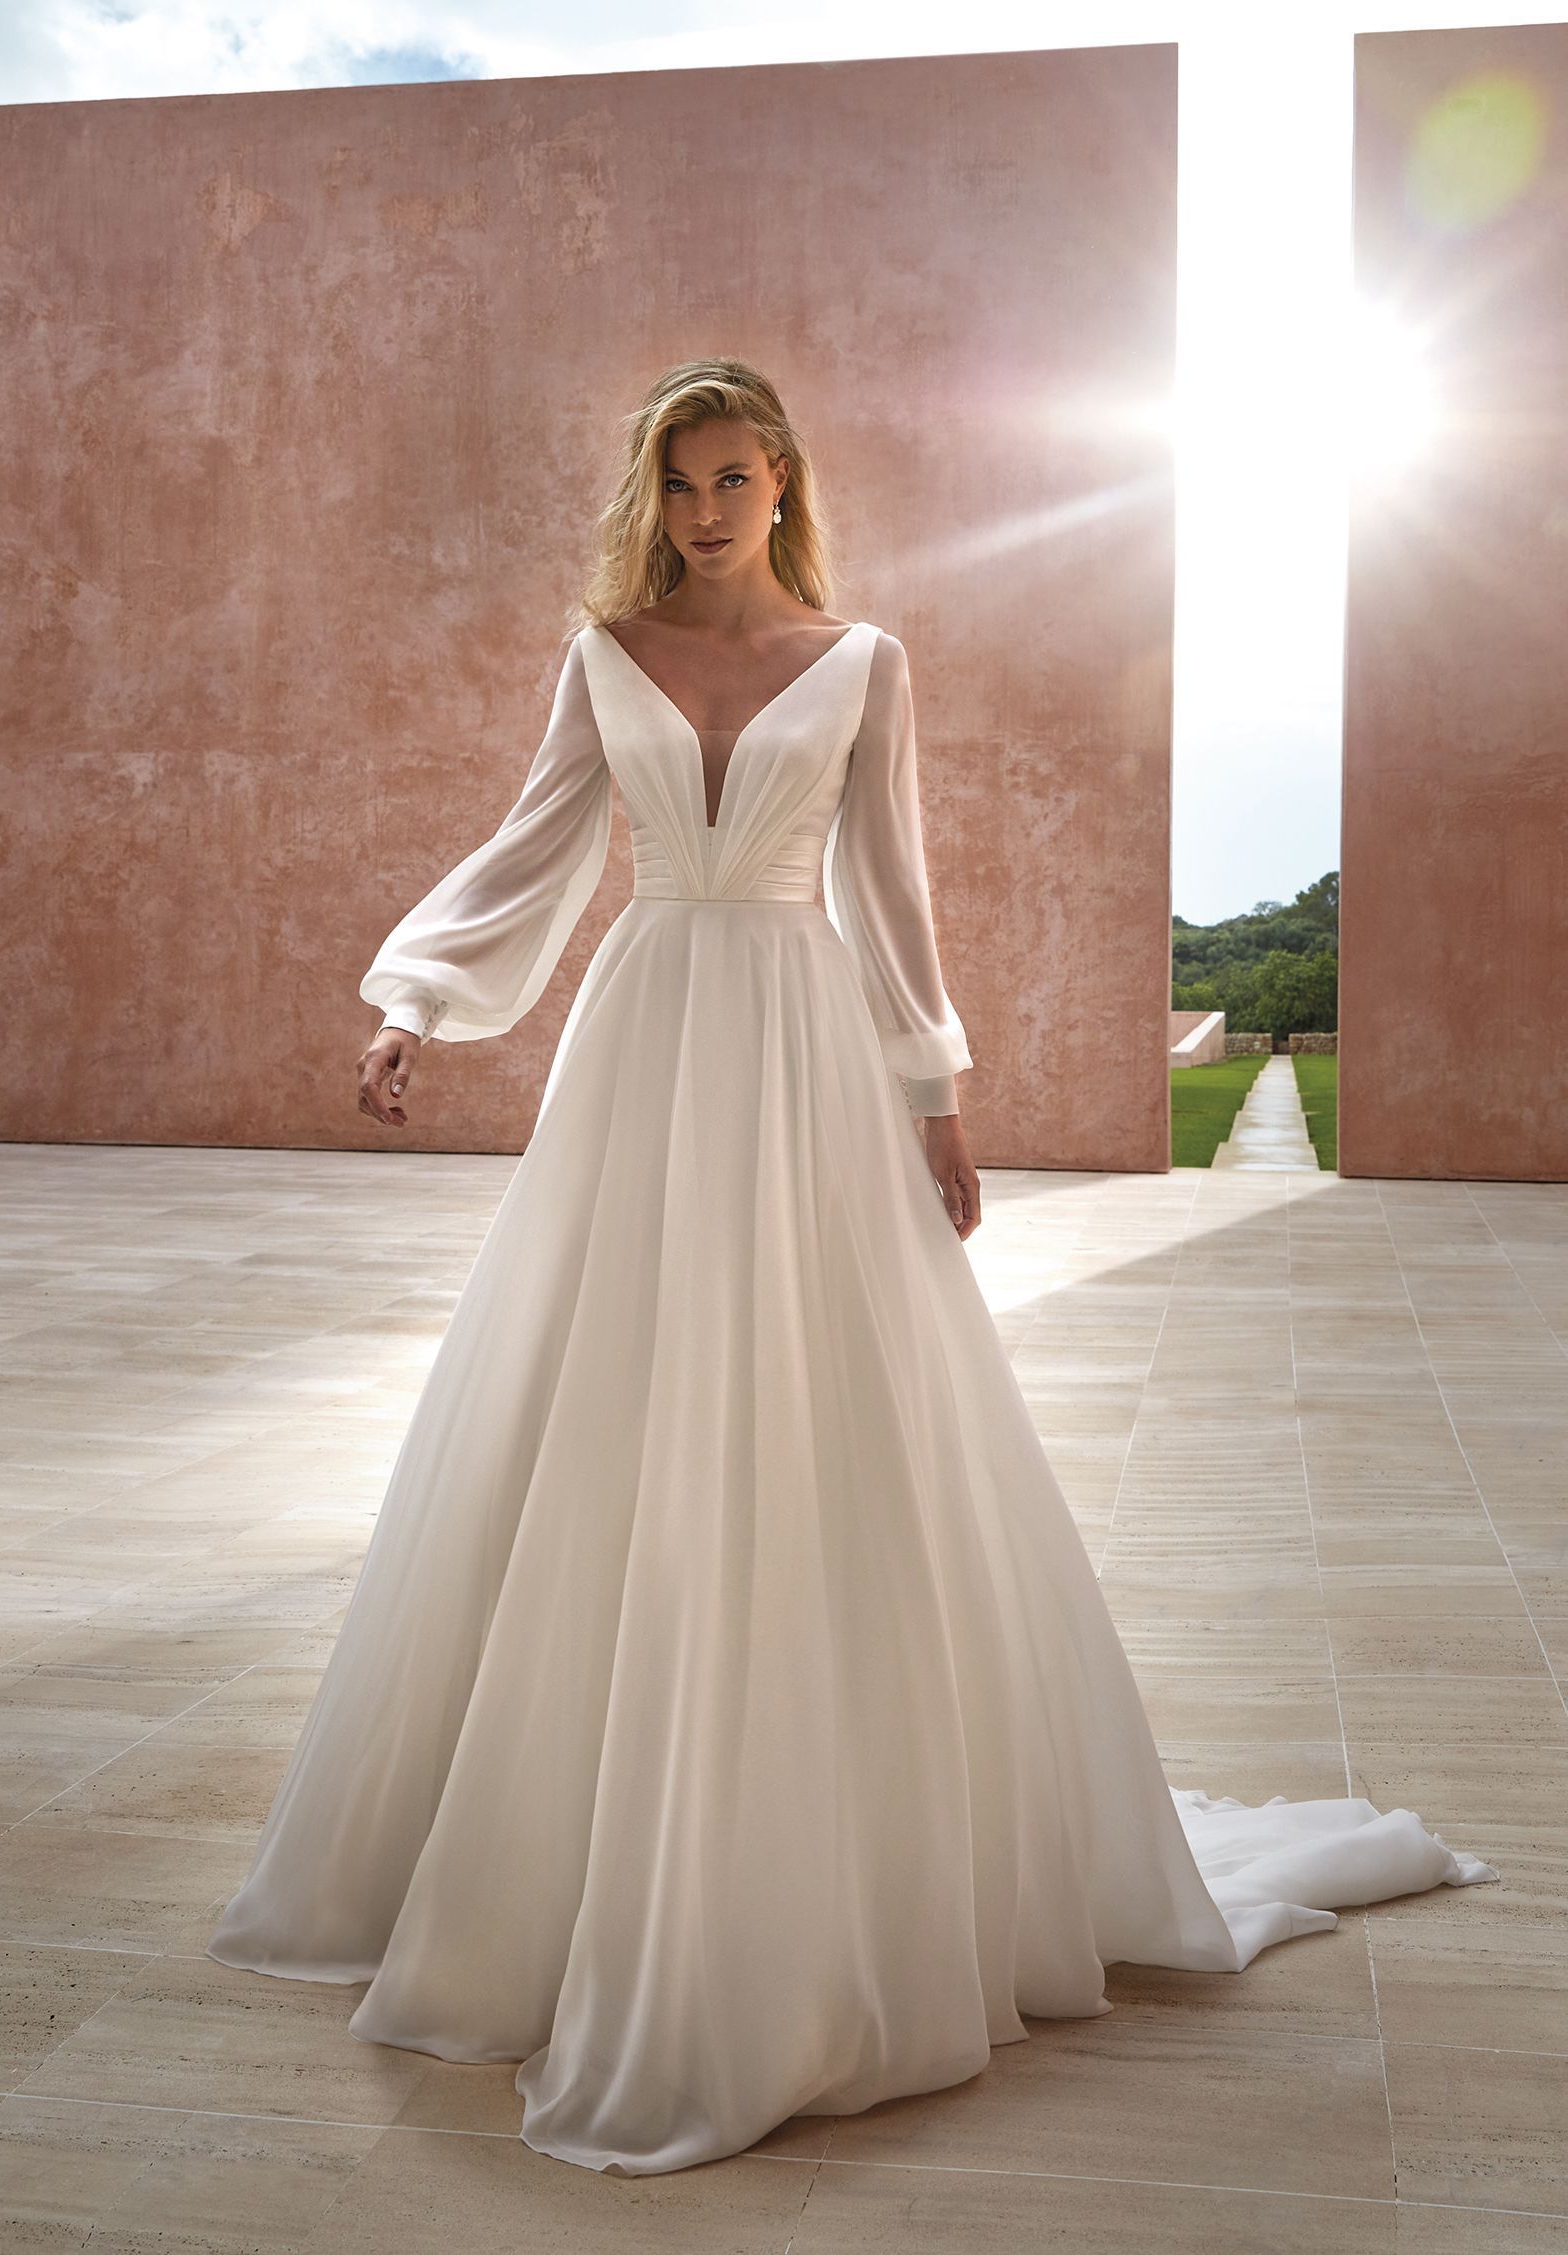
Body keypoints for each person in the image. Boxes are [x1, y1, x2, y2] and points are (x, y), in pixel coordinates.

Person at [205, 356, 1495, 2176]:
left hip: (806, 1050)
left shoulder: (864, 662)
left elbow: (893, 896)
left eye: (736, 477)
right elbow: (534, 848)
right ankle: (548, 1851)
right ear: (654, 497)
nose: (709, 508)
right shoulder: (607, 657)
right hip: (644, 1030)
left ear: (785, 485)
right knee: (602, 1391)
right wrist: (414, 1001)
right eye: (681, 482)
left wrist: (935, 1103)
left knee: (824, 1405)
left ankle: (817, 1830)